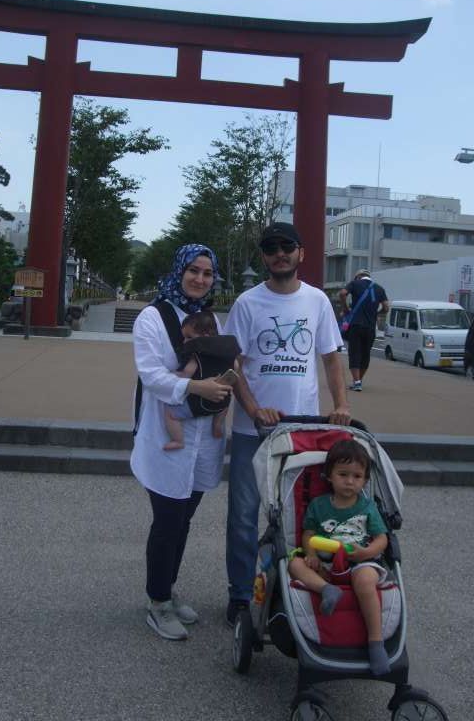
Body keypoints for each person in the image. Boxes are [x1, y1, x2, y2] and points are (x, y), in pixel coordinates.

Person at [224, 221, 351, 628]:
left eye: (287, 246)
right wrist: (254, 407)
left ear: (301, 253)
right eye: (271, 247)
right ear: (263, 256)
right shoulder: (247, 303)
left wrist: (342, 405)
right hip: (253, 432)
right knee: (244, 517)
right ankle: (241, 596)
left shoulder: (317, 302)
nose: (279, 253)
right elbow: (234, 364)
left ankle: (296, 589)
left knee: (300, 517)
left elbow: (331, 357)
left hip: (302, 430)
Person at [130, 244, 233, 641]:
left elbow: (222, 362)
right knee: (168, 520)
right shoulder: (152, 317)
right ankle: (156, 601)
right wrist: (195, 384)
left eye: (208, 273)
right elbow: (151, 374)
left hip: (202, 435)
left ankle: (168, 592)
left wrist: (223, 388)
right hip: (166, 431)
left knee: (184, 519)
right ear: (179, 270)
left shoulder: (209, 319)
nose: (200, 279)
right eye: (193, 270)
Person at [288, 438, 390, 675]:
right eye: (343, 474)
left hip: (359, 561)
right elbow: (309, 534)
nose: (349, 481)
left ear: (365, 480)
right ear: (329, 476)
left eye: (357, 476)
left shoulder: (366, 507)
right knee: (295, 563)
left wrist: (369, 552)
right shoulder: (318, 505)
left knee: (365, 580)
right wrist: (311, 554)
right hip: (325, 562)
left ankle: (376, 642)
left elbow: (381, 538)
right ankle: (326, 589)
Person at [163, 310, 240, 450]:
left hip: (200, 403)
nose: (185, 341)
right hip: (222, 402)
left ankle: (178, 440)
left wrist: (173, 375)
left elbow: (186, 374)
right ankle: (217, 424)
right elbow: (236, 367)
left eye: (189, 337)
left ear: (204, 336)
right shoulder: (228, 353)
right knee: (225, 402)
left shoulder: (197, 355)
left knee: (170, 413)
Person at [339, 269, 388, 392]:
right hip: (370, 327)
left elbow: (342, 293)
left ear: (358, 277)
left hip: (356, 325)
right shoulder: (379, 289)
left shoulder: (354, 284)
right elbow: (386, 307)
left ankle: (357, 382)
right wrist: (377, 313)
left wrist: (345, 308)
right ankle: (359, 381)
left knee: (354, 353)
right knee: (365, 354)